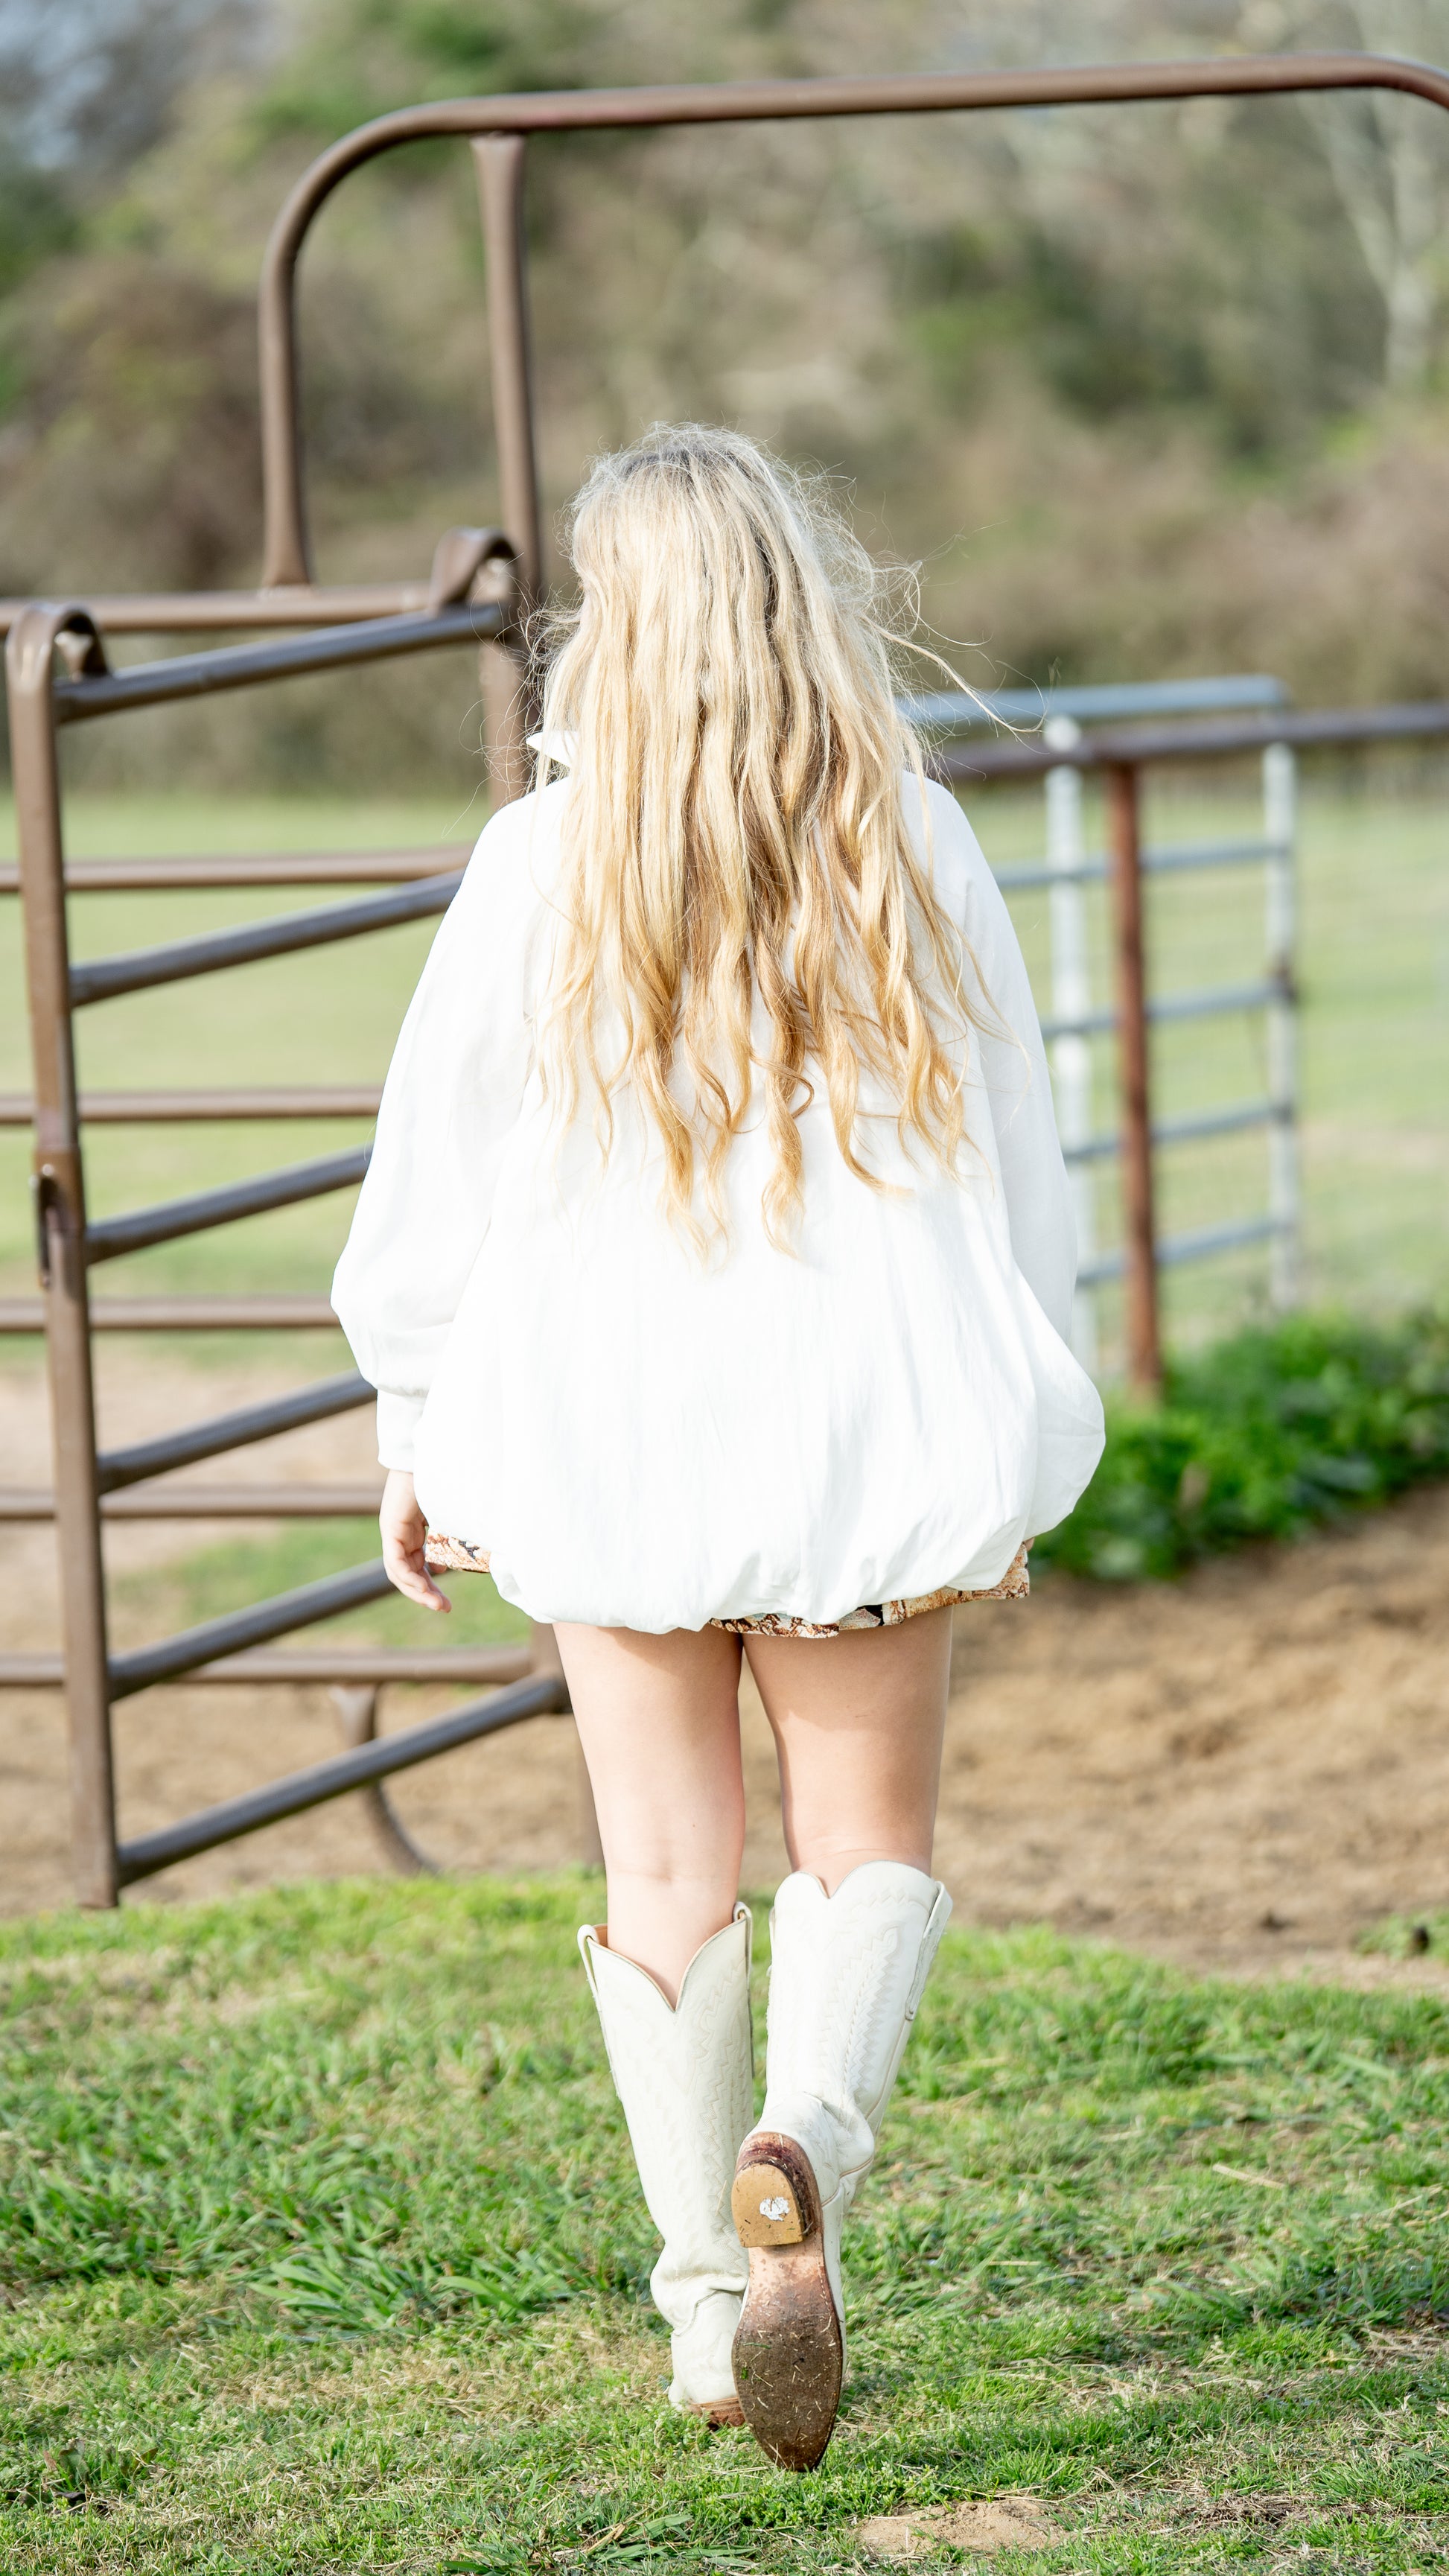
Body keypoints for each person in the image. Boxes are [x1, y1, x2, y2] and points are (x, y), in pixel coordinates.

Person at [332, 423, 1104, 2472]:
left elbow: (435, 1175)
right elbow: (1018, 1164)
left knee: (661, 1862)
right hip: (864, 1413)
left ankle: (702, 2310)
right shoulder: (911, 840)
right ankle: (809, 2142)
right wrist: (1028, 1404)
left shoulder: (536, 862)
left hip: (608, 1422)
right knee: (865, 1836)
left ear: (622, 625)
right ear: (797, 601)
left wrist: (415, 1414)